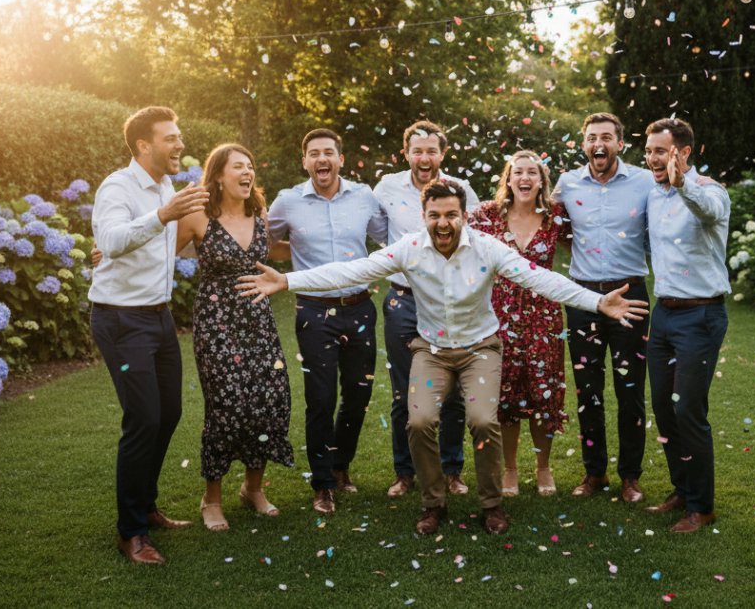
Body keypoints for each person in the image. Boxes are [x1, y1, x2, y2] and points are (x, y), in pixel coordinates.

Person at [237, 179, 649, 536]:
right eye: (435, 215)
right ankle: (433, 503)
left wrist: (598, 302)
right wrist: (287, 280)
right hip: (432, 352)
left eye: (451, 214)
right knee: (419, 421)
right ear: (424, 217)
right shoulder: (409, 249)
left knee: (483, 420)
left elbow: (539, 278)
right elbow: (354, 271)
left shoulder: (487, 248)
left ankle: (492, 505)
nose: (443, 223)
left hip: (480, 350)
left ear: (464, 216)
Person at [89, 106, 207, 566]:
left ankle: (146, 504)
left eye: (179, 136)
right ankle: (131, 532)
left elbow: (155, 246)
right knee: (142, 418)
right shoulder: (117, 187)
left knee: (168, 412)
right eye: (170, 138)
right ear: (144, 144)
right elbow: (111, 240)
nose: (180, 144)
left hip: (158, 317)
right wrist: (161, 215)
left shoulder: (165, 187)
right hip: (121, 320)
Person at [267, 128, 387, 515]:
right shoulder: (288, 202)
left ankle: (340, 466)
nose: (322, 159)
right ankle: (322, 483)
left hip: (359, 308)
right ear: (305, 161)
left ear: (340, 159)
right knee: (320, 398)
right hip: (314, 312)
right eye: (314, 153)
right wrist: (295, 252)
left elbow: (388, 238)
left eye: (329, 152)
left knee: (358, 394)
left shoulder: (364, 196)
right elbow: (262, 241)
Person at [176, 143, 294, 531]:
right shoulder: (197, 215)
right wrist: (109, 255)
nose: (247, 172)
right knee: (226, 404)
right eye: (238, 166)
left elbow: (274, 251)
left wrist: (324, 249)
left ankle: (252, 488)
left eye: (250, 166)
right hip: (216, 321)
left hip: (258, 318)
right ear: (218, 176)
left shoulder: (259, 212)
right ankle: (211, 499)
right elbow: (159, 254)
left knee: (268, 398)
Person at [372, 120, 479, 499]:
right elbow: (377, 233)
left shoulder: (460, 189)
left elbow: (475, 236)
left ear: (442, 154)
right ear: (406, 153)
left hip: (449, 303)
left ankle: (451, 470)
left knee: (451, 391)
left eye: (431, 150)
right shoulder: (386, 188)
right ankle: (405, 472)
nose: (424, 157)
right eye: (417, 150)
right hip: (403, 301)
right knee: (405, 392)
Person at [552, 112, 654, 503]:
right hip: (583, 298)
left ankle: (630, 477)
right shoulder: (567, 183)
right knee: (588, 389)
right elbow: (557, 230)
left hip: (630, 295)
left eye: (607, 137)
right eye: (592, 137)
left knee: (631, 390)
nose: (599, 144)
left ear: (619, 143)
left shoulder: (643, 181)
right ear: (584, 144)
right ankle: (594, 473)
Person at [640, 117, 731, 534]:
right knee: (663, 406)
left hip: (701, 315)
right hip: (663, 314)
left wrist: (682, 185)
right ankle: (681, 489)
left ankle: (701, 506)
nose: (652, 158)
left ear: (684, 152)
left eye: (660, 151)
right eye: (648, 151)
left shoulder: (710, 191)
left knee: (688, 409)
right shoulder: (651, 194)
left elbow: (709, 211)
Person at [468, 150, 569, 497]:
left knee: (543, 392)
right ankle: (510, 469)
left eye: (532, 173)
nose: (524, 178)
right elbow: (451, 231)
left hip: (544, 316)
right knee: (506, 394)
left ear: (541, 181)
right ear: (508, 180)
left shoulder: (556, 216)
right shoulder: (487, 215)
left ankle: (543, 468)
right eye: (518, 172)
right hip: (501, 315)